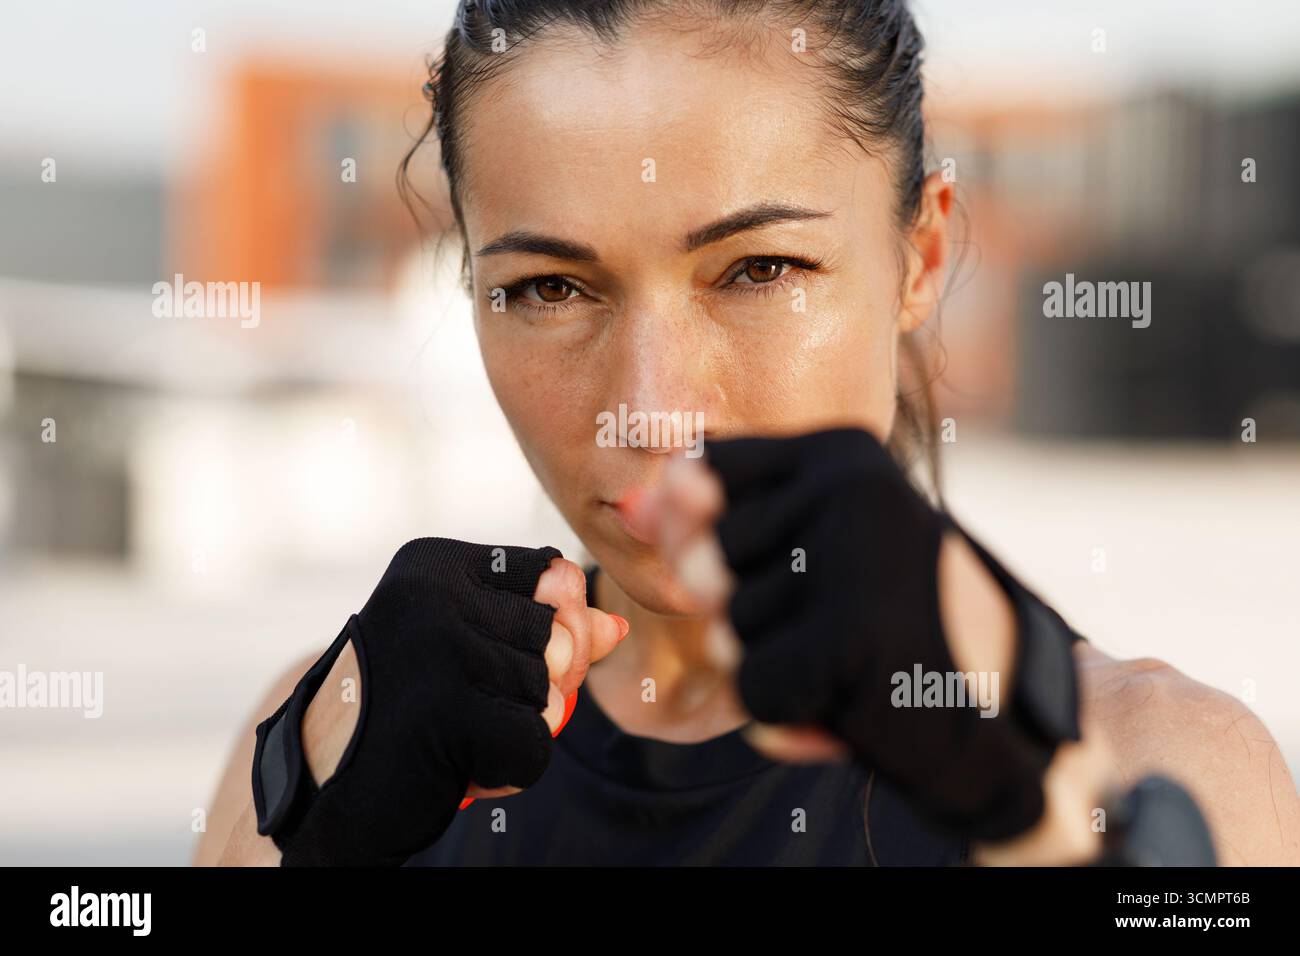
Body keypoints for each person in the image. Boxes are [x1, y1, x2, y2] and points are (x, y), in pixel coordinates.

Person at [194, 0, 1299, 867]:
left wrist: (1034, 807)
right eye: (549, 288)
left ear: (917, 259)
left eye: (760, 270)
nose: (654, 403)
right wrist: (316, 837)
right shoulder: (327, 736)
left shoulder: (1166, 762)